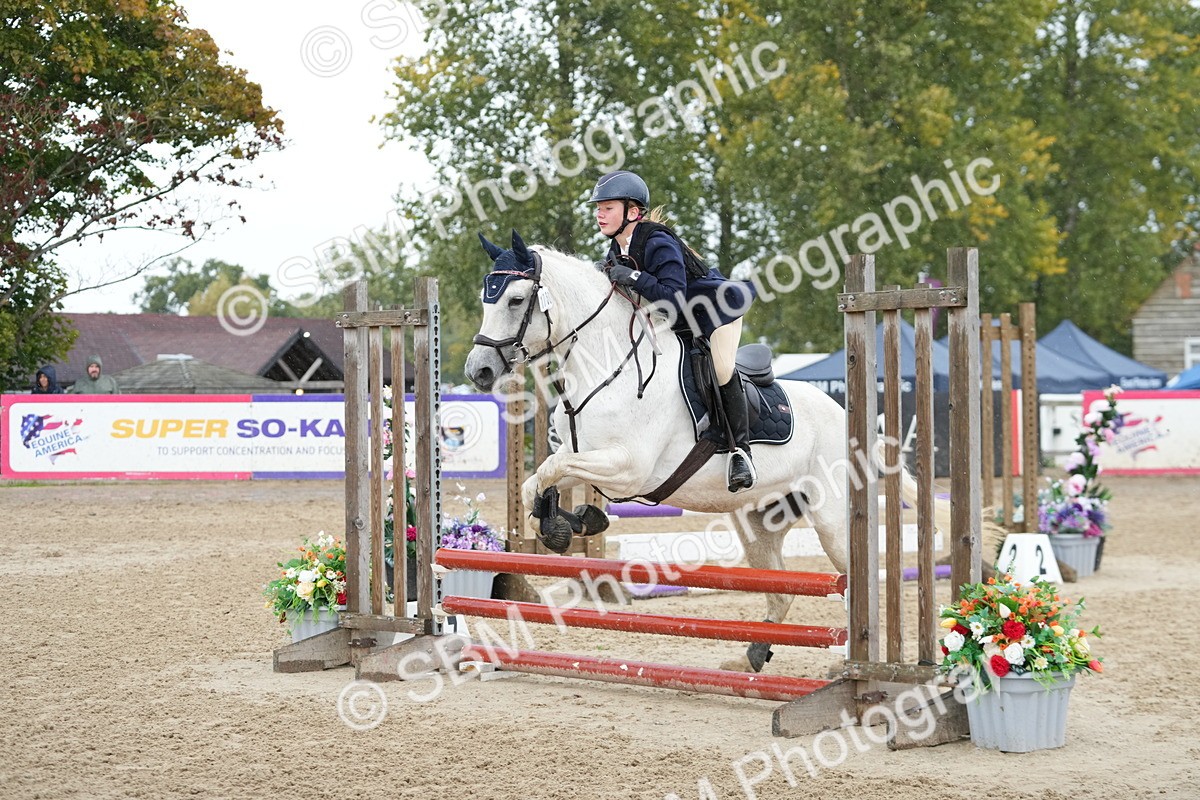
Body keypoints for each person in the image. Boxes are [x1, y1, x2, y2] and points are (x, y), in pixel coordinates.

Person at [588, 170, 758, 492]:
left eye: (608, 207)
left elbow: (673, 298)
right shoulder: (615, 252)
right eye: (598, 207)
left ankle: (740, 452)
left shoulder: (657, 240)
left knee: (721, 368)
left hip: (716, 311)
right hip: (679, 322)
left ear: (633, 212)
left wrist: (633, 278)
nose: (599, 214)